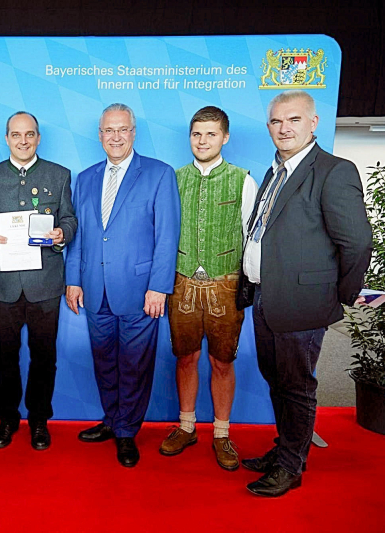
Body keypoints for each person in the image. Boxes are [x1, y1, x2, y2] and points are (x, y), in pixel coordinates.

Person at [241, 90, 371, 496]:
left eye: (294, 120)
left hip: (304, 304)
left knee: (296, 387)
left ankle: (292, 466)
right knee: (276, 381)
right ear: (269, 128)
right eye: (277, 122)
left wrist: (338, 296)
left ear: (312, 123)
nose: (284, 128)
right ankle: (285, 449)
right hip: (265, 298)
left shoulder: (334, 171)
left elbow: (357, 243)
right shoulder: (273, 171)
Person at [66, 103, 181, 467]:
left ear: (133, 133)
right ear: (100, 135)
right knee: (104, 363)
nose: (115, 137)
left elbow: (167, 235)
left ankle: (127, 432)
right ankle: (112, 420)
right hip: (94, 288)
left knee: (134, 364)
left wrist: (159, 286)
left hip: (140, 290)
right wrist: (73, 279)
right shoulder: (84, 178)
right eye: (108, 131)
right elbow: (81, 235)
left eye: (123, 129)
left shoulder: (159, 174)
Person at [159, 106, 258, 471]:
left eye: (211, 134)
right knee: (184, 357)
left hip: (225, 285)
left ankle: (221, 433)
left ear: (225, 137)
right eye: (197, 134)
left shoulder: (242, 179)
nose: (202, 141)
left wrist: (247, 284)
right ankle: (186, 427)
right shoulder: (174, 178)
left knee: (222, 361)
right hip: (181, 283)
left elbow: (253, 236)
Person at [0, 111, 77, 450]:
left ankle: (38, 420)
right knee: (4, 355)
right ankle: (6, 419)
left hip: (45, 284)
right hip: (3, 284)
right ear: (6, 138)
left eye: (30, 134)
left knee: (43, 355)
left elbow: (69, 218)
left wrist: (62, 233)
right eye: (16, 135)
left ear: (37, 138)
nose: (23, 140)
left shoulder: (59, 175)